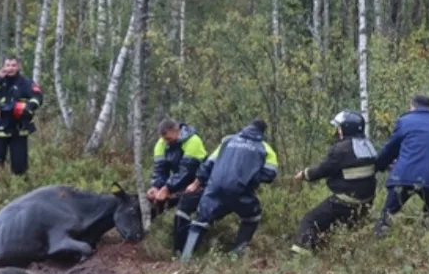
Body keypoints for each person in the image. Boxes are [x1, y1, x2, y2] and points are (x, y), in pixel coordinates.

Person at [180, 119, 279, 261]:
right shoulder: (264, 147)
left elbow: (208, 164)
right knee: (252, 216)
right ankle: (235, 256)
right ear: (262, 132)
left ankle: (185, 259)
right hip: (240, 190)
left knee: (201, 219)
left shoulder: (227, 141)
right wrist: (251, 177)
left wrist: (196, 183)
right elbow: (270, 174)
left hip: (214, 187)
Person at [291, 110, 378, 255]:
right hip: (366, 202)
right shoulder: (368, 146)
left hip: (346, 200)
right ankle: (331, 252)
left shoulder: (341, 149)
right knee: (339, 226)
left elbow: (323, 169)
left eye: (339, 127)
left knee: (310, 220)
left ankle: (300, 256)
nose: (337, 131)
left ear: (346, 128)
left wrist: (305, 174)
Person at [373, 95, 429, 237]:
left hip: (404, 175)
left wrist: (378, 166)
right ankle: (427, 244)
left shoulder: (404, 121)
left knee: (387, 215)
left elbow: (391, 149)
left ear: (412, 106)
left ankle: (379, 240)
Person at [146, 119, 208, 253]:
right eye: (164, 139)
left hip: (200, 182)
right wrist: (156, 186)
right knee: (152, 203)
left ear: (177, 131)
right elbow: (160, 169)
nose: (167, 142)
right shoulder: (161, 143)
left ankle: (181, 252)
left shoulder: (193, 141)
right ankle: (147, 237)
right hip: (179, 183)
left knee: (182, 211)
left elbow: (187, 171)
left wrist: (167, 188)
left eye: (169, 138)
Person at [0, 57, 43, 176]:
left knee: (20, 168)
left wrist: (29, 107)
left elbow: (38, 96)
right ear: (3, 66)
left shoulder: (26, 82)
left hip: (18, 129)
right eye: (8, 65)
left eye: (13, 65)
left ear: (18, 67)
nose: (10, 68)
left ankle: (20, 189)